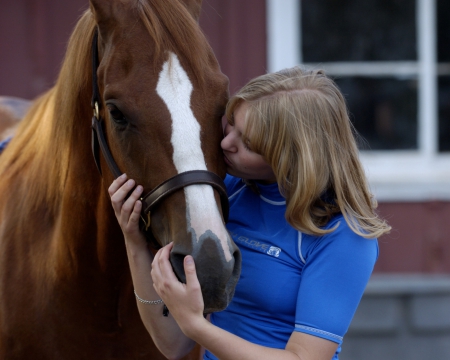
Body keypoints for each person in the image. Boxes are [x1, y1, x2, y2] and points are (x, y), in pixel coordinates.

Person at [109, 66, 391, 360]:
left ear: (292, 158)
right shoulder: (225, 192)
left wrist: (196, 326)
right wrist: (135, 242)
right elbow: (172, 345)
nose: (225, 143)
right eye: (231, 125)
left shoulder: (343, 234)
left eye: (249, 144)